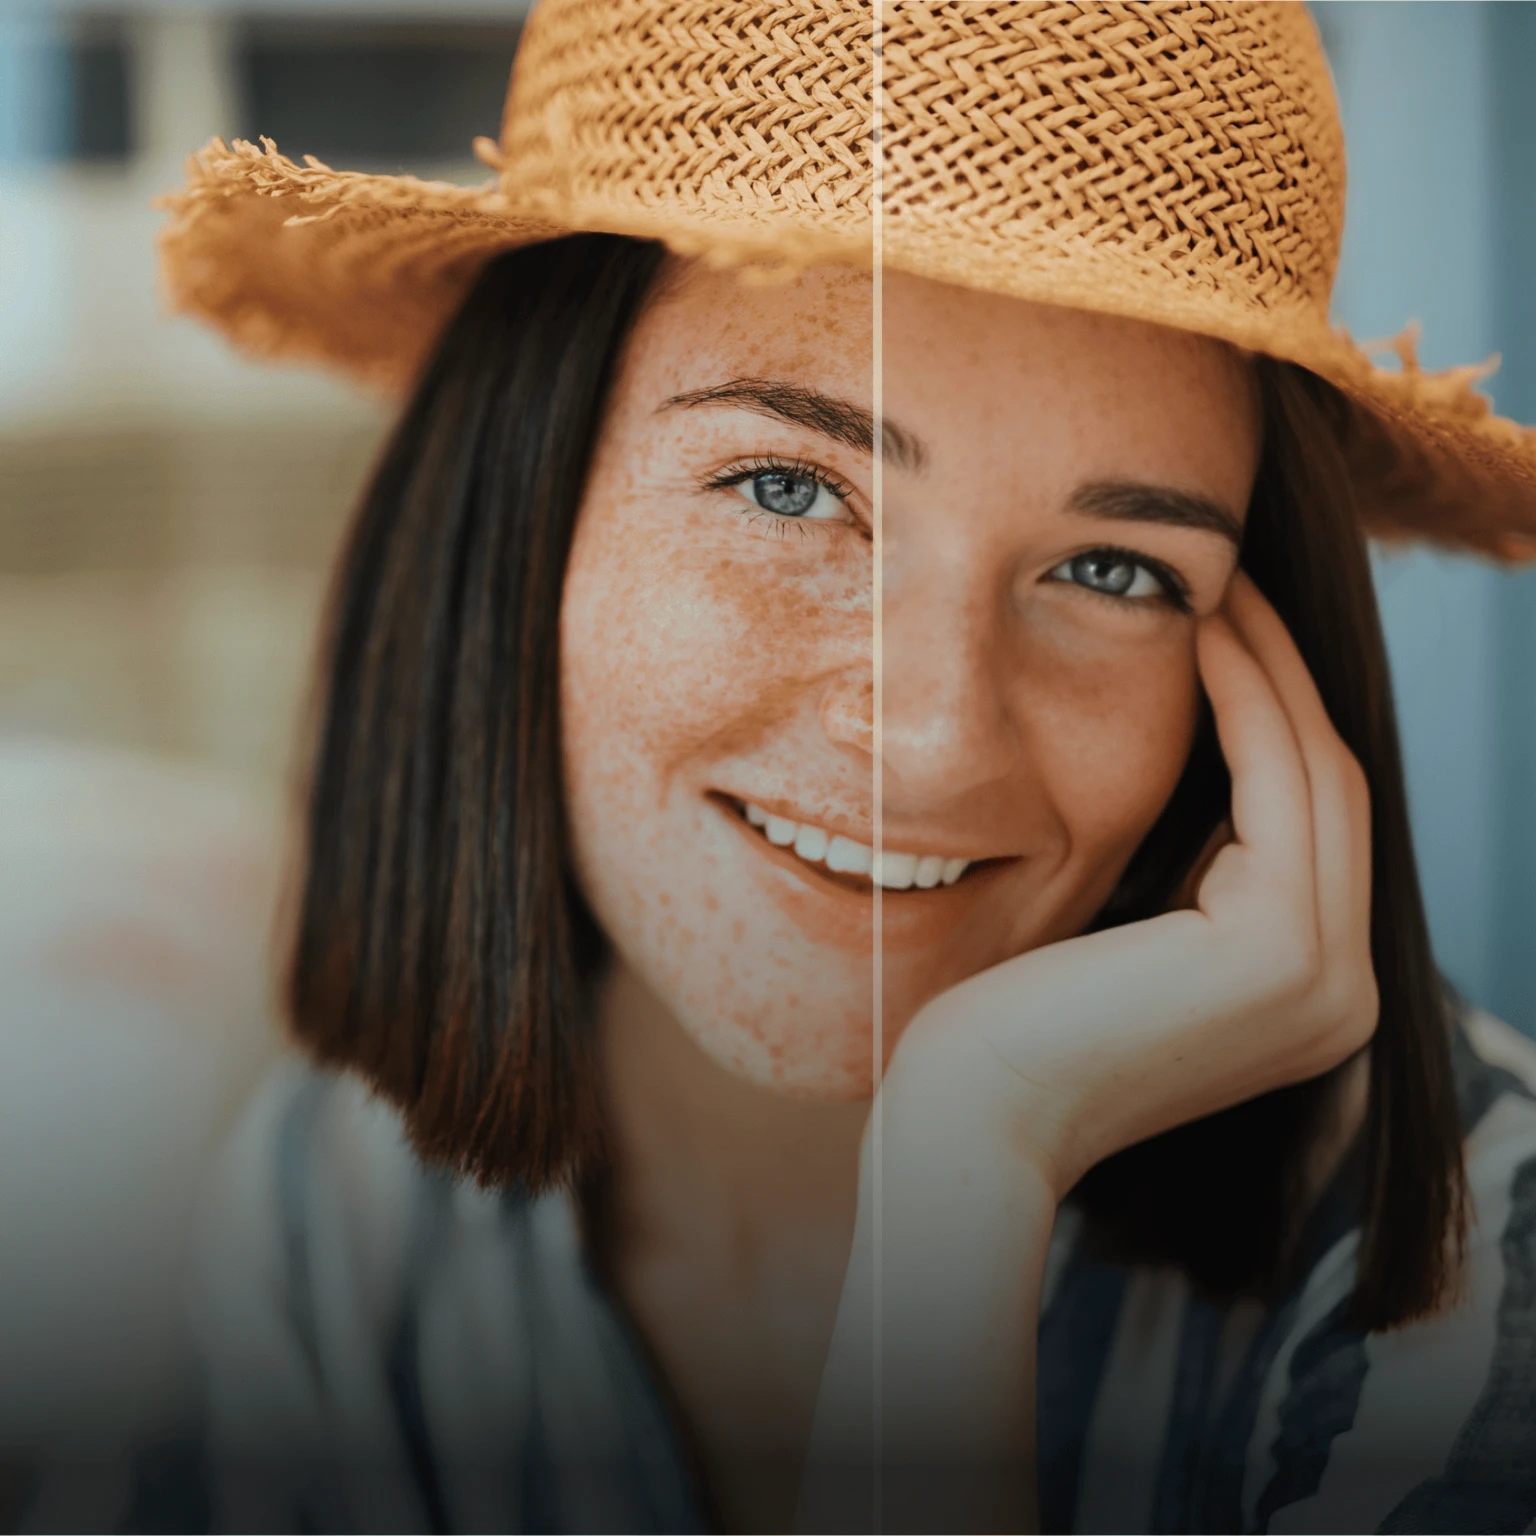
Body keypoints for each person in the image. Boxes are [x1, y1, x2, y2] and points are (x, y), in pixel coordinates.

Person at [146, 3, 1536, 1532]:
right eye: (788, 485)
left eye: (1116, 571)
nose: (938, 736)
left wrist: (969, 1159)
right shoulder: (333, 1227)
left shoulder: (1474, 1274)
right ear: (514, 505)